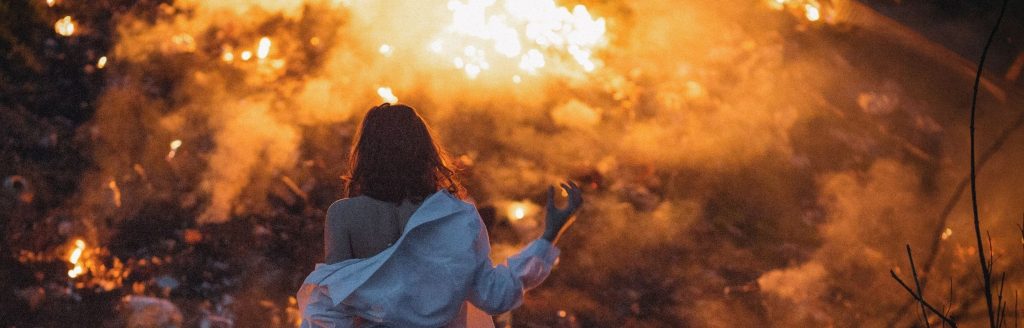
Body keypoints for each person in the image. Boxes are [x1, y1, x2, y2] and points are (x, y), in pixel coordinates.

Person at [296, 103, 584, 328]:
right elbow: (495, 295)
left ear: (366, 153)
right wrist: (549, 235)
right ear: (425, 152)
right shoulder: (455, 216)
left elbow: (330, 306)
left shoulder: (344, 215)